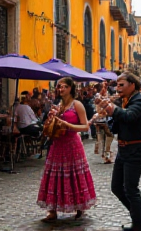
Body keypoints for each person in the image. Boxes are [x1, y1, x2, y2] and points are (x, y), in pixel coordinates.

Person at [36, 77, 96, 222]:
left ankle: (79, 206)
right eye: (59, 87)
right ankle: (52, 210)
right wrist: (51, 119)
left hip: (72, 144)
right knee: (53, 175)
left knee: (74, 175)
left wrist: (68, 125)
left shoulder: (77, 105)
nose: (60, 89)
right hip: (57, 144)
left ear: (70, 88)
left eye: (63, 86)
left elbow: (85, 126)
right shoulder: (58, 105)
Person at [99, 71, 141, 231]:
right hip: (123, 149)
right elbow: (116, 126)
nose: (118, 88)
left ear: (132, 85)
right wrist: (107, 113)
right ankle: (139, 218)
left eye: (121, 85)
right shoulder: (124, 101)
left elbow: (129, 117)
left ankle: (138, 225)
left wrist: (110, 107)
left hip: (135, 149)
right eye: (117, 85)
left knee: (131, 189)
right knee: (116, 187)